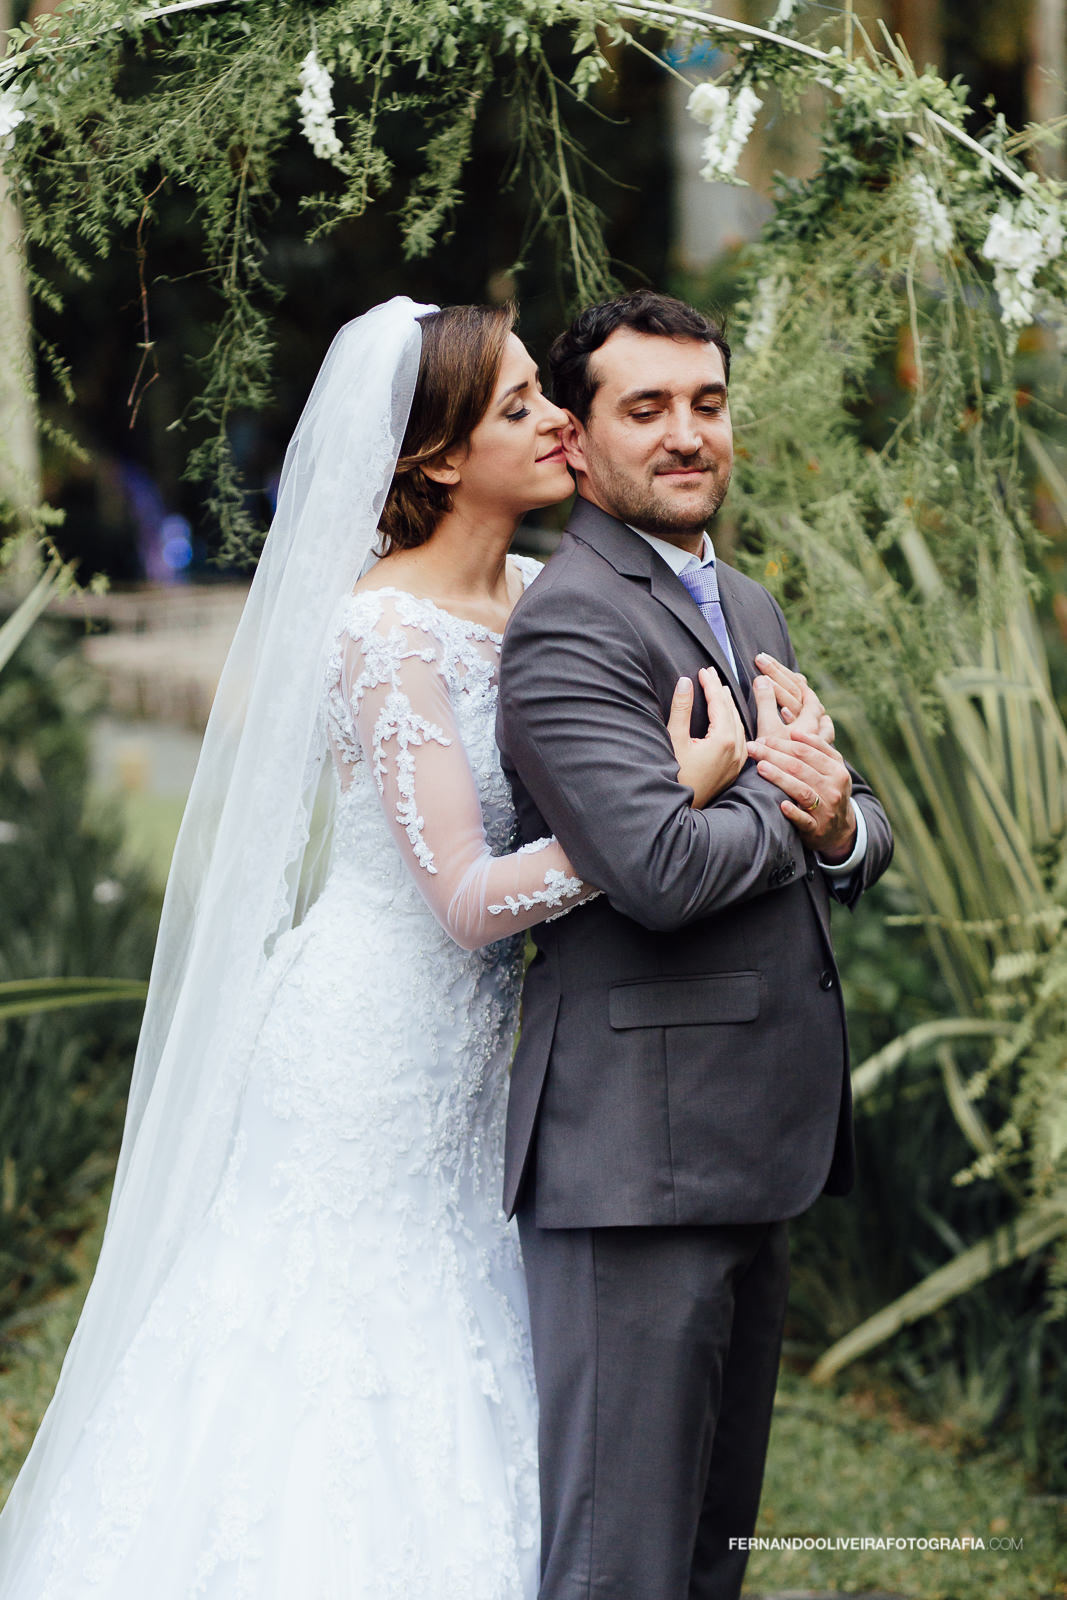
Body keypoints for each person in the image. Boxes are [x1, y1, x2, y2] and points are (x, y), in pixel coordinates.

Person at [0, 298, 751, 1599]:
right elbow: (462, 896)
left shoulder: (536, 593)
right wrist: (661, 806)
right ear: (441, 458)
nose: (558, 420)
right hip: (367, 1038)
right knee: (337, 1330)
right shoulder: (382, 632)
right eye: (519, 405)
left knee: (459, 1303)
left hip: (473, 1056)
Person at [496, 289, 894, 1600]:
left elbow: (851, 810)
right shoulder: (568, 625)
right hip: (636, 1165)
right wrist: (799, 806)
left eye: (708, 406)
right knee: (623, 1565)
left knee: (707, 1562)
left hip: (748, 1147)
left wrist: (830, 819)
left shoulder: (750, 603)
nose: (688, 436)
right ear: (579, 437)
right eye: (647, 409)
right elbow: (659, 871)